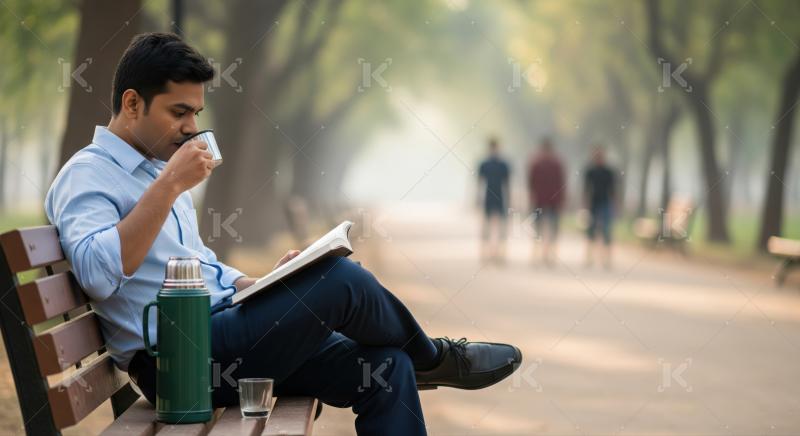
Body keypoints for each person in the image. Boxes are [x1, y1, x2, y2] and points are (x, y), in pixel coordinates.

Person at [45, 33, 521, 436]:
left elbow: (196, 261)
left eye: (196, 113)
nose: (192, 129)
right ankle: (436, 358)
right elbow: (97, 274)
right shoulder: (87, 176)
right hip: (181, 361)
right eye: (179, 112)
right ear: (132, 103)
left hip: (223, 334)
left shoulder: (153, 171)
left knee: (386, 366)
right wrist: (170, 185)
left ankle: (418, 359)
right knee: (339, 281)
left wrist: (262, 283)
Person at [526, 137, 565, 266]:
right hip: (545, 201)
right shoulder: (555, 164)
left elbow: (530, 184)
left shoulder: (537, 163)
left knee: (545, 230)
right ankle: (542, 256)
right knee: (543, 230)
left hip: (543, 201)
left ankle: (544, 256)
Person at [477, 137, 511, 264]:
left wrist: (510, 201)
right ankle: (485, 254)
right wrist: (478, 199)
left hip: (499, 198)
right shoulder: (484, 164)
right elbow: (479, 183)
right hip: (488, 198)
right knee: (486, 228)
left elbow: (507, 184)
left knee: (501, 228)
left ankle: (500, 254)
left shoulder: (503, 165)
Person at [583, 146, 616, 269]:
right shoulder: (590, 171)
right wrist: (585, 205)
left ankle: (607, 260)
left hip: (605, 204)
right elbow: (586, 190)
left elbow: (613, 190)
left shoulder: (609, 172)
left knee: (607, 232)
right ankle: (589, 258)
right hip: (593, 204)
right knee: (590, 232)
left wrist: (615, 205)